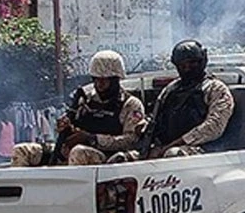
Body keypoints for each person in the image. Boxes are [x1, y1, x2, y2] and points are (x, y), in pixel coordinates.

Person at [12, 50, 146, 167]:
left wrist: (92, 139)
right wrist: (67, 128)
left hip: (106, 158)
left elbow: (131, 141)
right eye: (96, 79)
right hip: (71, 152)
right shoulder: (85, 100)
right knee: (22, 151)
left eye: (104, 80)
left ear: (116, 79)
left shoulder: (129, 105)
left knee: (78, 152)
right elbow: (73, 127)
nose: (99, 85)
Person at [120, 40, 234, 161]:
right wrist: (144, 127)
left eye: (192, 63)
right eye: (182, 65)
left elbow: (214, 126)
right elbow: (156, 118)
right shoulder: (170, 89)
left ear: (202, 61)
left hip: (202, 149)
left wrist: (174, 144)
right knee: (121, 158)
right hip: (164, 146)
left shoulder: (215, 89)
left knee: (173, 154)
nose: (187, 69)